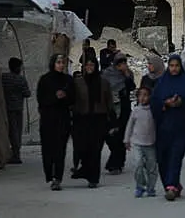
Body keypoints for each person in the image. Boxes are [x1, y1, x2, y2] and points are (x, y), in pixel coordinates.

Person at [151, 54, 185, 201]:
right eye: (171, 66)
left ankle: (171, 186)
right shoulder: (161, 83)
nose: (174, 69)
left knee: (175, 156)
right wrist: (165, 104)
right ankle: (173, 184)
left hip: (181, 128)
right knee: (163, 158)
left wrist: (180, 102)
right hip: (163, 128)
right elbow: (154, 103)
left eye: (176, 66)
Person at [71, 58, 114, 188]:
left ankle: (93, 178)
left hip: (98, 118)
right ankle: (85, 169)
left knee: (96, 150)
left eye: (92, 65)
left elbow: (109, 101)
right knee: (83, 147)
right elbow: (73, 100)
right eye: (87, 65)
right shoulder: (78, 82)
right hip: (82, 119)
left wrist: (112, 120)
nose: (89, 67)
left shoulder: (103, 82)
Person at [36, 54, 75, 191]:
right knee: (48, 150)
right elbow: (41, 99)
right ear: (53, 63)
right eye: (58, 62)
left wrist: (65, 97)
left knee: (60, 150)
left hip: (62, 119)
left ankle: (57, 178)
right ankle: (50, 175)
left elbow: (73, 99)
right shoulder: (45, 80)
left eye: (62, 62)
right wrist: (54, 97)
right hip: (47, 120)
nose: (61, 65)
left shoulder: (68, 80)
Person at [102, 53, 136, 175]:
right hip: (112, 107)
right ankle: (116, 161)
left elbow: (132, 87)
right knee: (111, 137)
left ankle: (117, 163)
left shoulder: (128, 74)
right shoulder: (107, 74)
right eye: (119, 63)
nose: (122, 66)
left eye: (124, 63)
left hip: (124, 108)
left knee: (122, 136)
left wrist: (127, 76)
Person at [124, 87, 158, 198]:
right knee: (138, 164)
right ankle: (140, 185)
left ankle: (151, 187)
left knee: (151, 167)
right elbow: (129, 126)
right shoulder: (136, 111)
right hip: (137, 143)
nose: (143, 98)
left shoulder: (153, 110)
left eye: (145, 95)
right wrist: (126, 139)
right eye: (140, 95)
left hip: (151, 143)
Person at [2, 57, 31, 165]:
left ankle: (10, 152)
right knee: (16, 132)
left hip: (6, 108)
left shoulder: (3, 78)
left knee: (10, 131)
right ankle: (16, 154)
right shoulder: (21, 79)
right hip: (18, 108)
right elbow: (27, 93)